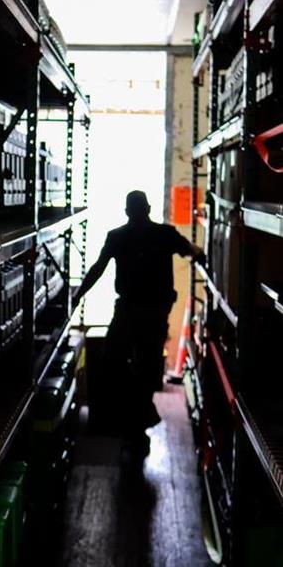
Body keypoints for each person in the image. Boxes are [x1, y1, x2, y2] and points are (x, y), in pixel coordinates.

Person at [73, 190, 204, 459]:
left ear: (126, 212)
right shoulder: (165, 234)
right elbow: (190, 251)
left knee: (114, 363)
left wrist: (77, 296)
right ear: (148, 208)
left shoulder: (117, 236)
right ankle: (140, 422)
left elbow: (97, 268)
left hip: (128, 312)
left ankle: (131, 423)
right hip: (155, 313)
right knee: (147, 369)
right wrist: (201, 252)